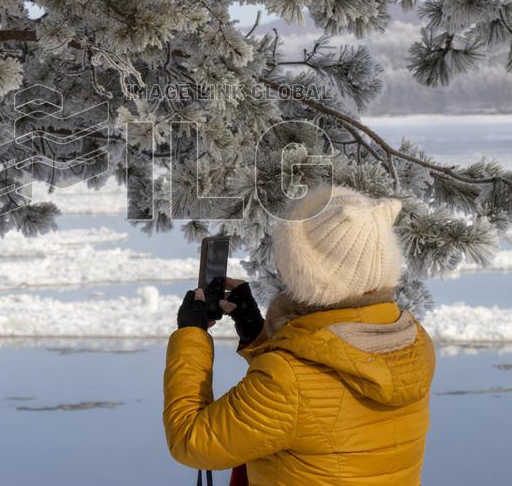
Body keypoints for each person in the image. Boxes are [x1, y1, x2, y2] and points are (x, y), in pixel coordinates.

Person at [163, 184, 436, 486]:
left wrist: (191, 335)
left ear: (306, 272)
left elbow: (192, 442)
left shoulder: (289, 380)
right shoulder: (414, 345)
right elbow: (318, 396)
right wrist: (257, 331)